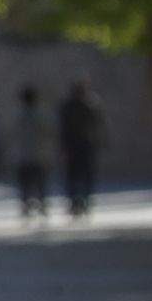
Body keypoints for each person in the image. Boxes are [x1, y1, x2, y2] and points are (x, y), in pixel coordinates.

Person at [54, 80, 100, 219]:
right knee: (84, 176)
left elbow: (62, 129)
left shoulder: (69, 107)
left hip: (74, 146)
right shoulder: (90, 105)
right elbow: (97, 126)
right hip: (83, 145)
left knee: (74, 176)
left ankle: (77, 202)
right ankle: (82, 201)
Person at [14, 86, 52, 222]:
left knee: (26, 184)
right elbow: (49, 133)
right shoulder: (41, 116)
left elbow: (14, 135)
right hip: (39, 155)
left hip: (25, 156)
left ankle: (26, 206)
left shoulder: (19, 117)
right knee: (40, 183)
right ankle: (41, 205)